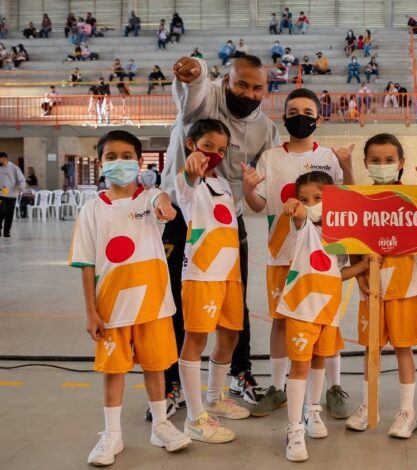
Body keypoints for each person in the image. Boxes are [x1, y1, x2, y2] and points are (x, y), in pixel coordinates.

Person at [162, 54, 280, 408]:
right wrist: (194, 71)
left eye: (258, 87)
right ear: (226, 81)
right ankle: (172, 382)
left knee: (234, 304)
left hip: (228, 220)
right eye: (241, 83)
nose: (249, 92)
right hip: (180, 215)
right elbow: (191, 88)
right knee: (177, 302)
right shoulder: (206, 96)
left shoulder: (266, 130)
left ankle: (239, 373)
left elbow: (263, 186)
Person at [69, 131, 191, 466]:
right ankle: (112, 434)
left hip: (153, 305)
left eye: (126, 155)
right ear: (101, 163)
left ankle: (161, 425)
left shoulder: (150, 198)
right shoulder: (91, 211)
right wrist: (91, 311)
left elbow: (161, 201)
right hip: (111, 309)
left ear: (139, 162)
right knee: (114, 371)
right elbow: (86, 264)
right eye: (111, 156)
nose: (119, 162)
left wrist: (165, 205)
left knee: (156, 367)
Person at [241, 88, 355, 420]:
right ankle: (278, 387)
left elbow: (348, 200)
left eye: (307, 110)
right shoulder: (270, 158)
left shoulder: (331, 157)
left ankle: (332, 387)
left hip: (324, 256)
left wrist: (347, 167)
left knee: (328, 321)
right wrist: (248, 189)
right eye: (293, 110)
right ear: (284, 116)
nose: (300, 115)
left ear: (319, 118)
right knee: (280, 320)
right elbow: (259, 204)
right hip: (283, 254)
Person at [345, 133, 417, 437]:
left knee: (404, 349)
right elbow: (353, 238)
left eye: (389, 160)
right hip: (371, 288)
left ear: (401, 163)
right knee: (370, 349)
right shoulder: (361, 197)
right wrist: (358, 271)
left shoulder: (412, 197)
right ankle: (368, 404)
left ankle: (407, 410)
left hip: (404, 288)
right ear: (366, 163)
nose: (382, 165)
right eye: (375, 160)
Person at [274, 172, 372, 462]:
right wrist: (297, 207)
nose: (311, 204)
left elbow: (336, 274)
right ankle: (293, 429)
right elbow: (299, 215)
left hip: (327, 310)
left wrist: (363, 266)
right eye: (305, 198)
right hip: (302, 309)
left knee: (319, 360)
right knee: (300, 367)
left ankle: (312, 410)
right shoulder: (302, 228)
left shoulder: (338, 234)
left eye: (319, 198)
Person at [175, 119, 253, 445]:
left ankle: (214, 397)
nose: (215, 154)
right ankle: (194, 418)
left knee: (231, 336)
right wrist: (191, 168)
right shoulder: (185, 181)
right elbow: (189, 179)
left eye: (221, 149)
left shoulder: (221, 181)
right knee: (196, 341)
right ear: (192, 144)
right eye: (208, 147)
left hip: (229, 272)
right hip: (202, 274)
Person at [0, 152, 25, 237]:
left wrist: (20, 186)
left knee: (9, 214)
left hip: (11, 194)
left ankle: (6, 232)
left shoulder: (14, 168)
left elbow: (22, 179)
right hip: (1, 194)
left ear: (4, 159)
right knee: (1, 211)